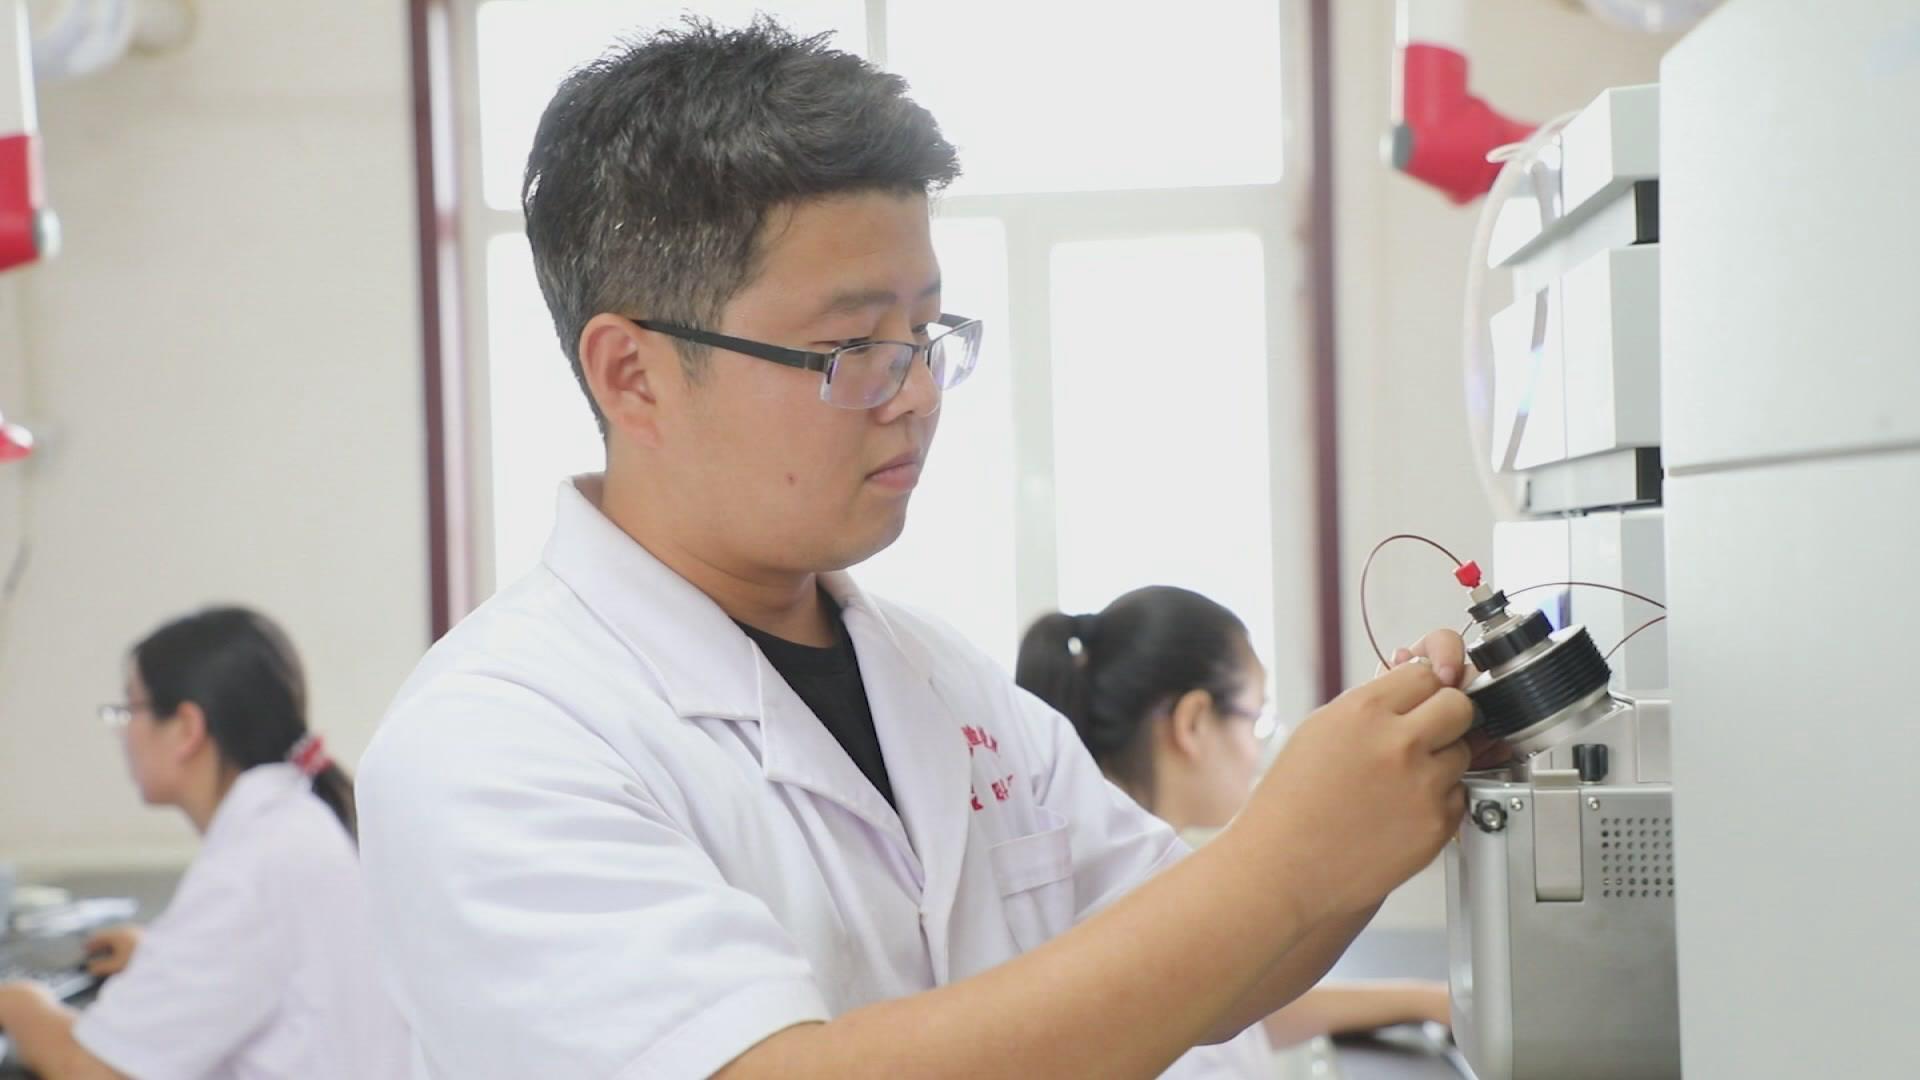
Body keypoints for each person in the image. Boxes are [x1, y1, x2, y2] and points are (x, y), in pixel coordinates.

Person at [356, 19, 1476, 1078]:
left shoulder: (939, 682)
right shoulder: (496, 739)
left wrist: (1391, 787)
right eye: (851, 345)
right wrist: (1282, 864)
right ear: (633, 374)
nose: (920, 393)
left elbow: (1204, 965)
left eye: (925, 331)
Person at [1018, 587, 1453, 1073]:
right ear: (1193, 723)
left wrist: (1423, 1000)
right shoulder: (1121, 918)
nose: (1261, 750)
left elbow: (1223, 998)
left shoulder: (1121, 887)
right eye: (1258, 718)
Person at [0, 608, 408, 1079]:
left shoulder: (252, 865)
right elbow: (252, 963)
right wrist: (161, 957)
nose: (124, 732)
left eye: (130, 710)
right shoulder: (296, 822)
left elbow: (96, 1071)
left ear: (187, 728)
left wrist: (22, 1005)